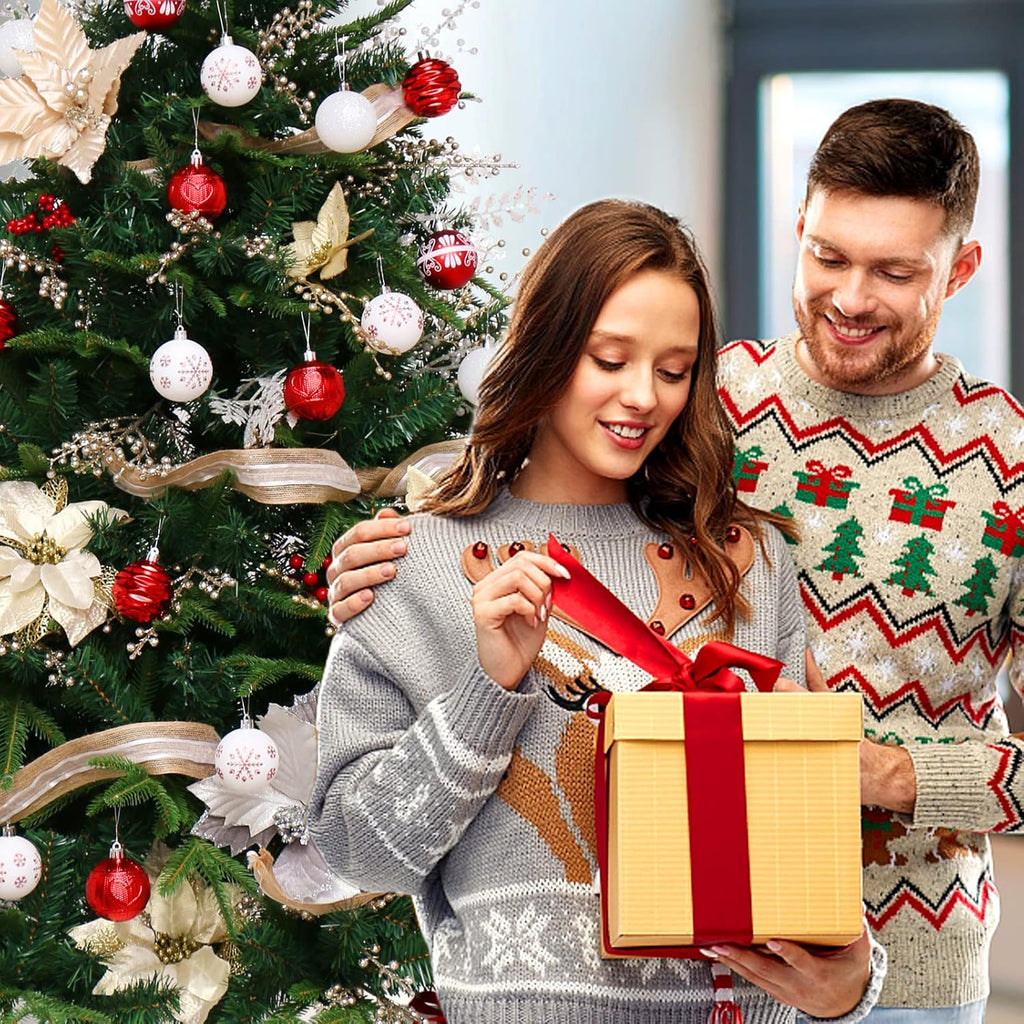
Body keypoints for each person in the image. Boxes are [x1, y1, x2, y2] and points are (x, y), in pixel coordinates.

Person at [328, 99, 1024, 1021]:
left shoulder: (1010, 461)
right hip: (677, 962)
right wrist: (404, 535)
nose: (853, 299)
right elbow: (552, 452)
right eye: (829, 256)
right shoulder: (704, 393)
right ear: (799, 228)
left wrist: (883, 773)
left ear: (962, 268)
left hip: (905, 966)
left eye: (895, 272)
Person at [309, 199, 884, 1023]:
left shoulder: (747, 564)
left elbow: (796, 869)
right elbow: (356, 853)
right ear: (545, 348)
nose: (642, 396)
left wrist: (850, 989)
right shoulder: (414, 566)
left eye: (674, 371)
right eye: (608, 359)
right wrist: (486, 694)